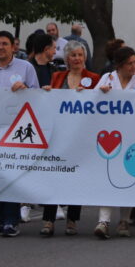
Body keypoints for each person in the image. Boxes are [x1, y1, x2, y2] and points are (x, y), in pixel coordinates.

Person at [0, 30, 41, 237]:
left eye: (5, 43)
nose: (0, 47)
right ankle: (3, 220)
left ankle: (12, 221)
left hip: (18, 129)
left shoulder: (26, 68)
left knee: (11, 173)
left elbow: (38, 95)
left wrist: (25, 89)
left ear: (13, 47)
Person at [40, 41, 99, 236]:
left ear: (85, 58)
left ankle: (73, 219)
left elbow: (101, 101)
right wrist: (47, 92)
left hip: (81, 135)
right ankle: (48, 220)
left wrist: (97, 93)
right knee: (53, 175)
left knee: (76, 177)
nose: (77, 59)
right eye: (73, 55)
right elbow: (49, 102)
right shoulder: (57, 77)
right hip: (58, 136)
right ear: (66, 59)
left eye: (80, 55)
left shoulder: (94, 78)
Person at [93, 45, 135, 239]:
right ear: (120, 65)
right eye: (129, 63)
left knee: (128, 177)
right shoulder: (107, 79)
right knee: (107, 177)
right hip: (110, 135)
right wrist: (101, 92)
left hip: (133, 134)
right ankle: (103, 220)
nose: (133, 66)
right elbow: (91, 101)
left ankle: (124, 220)